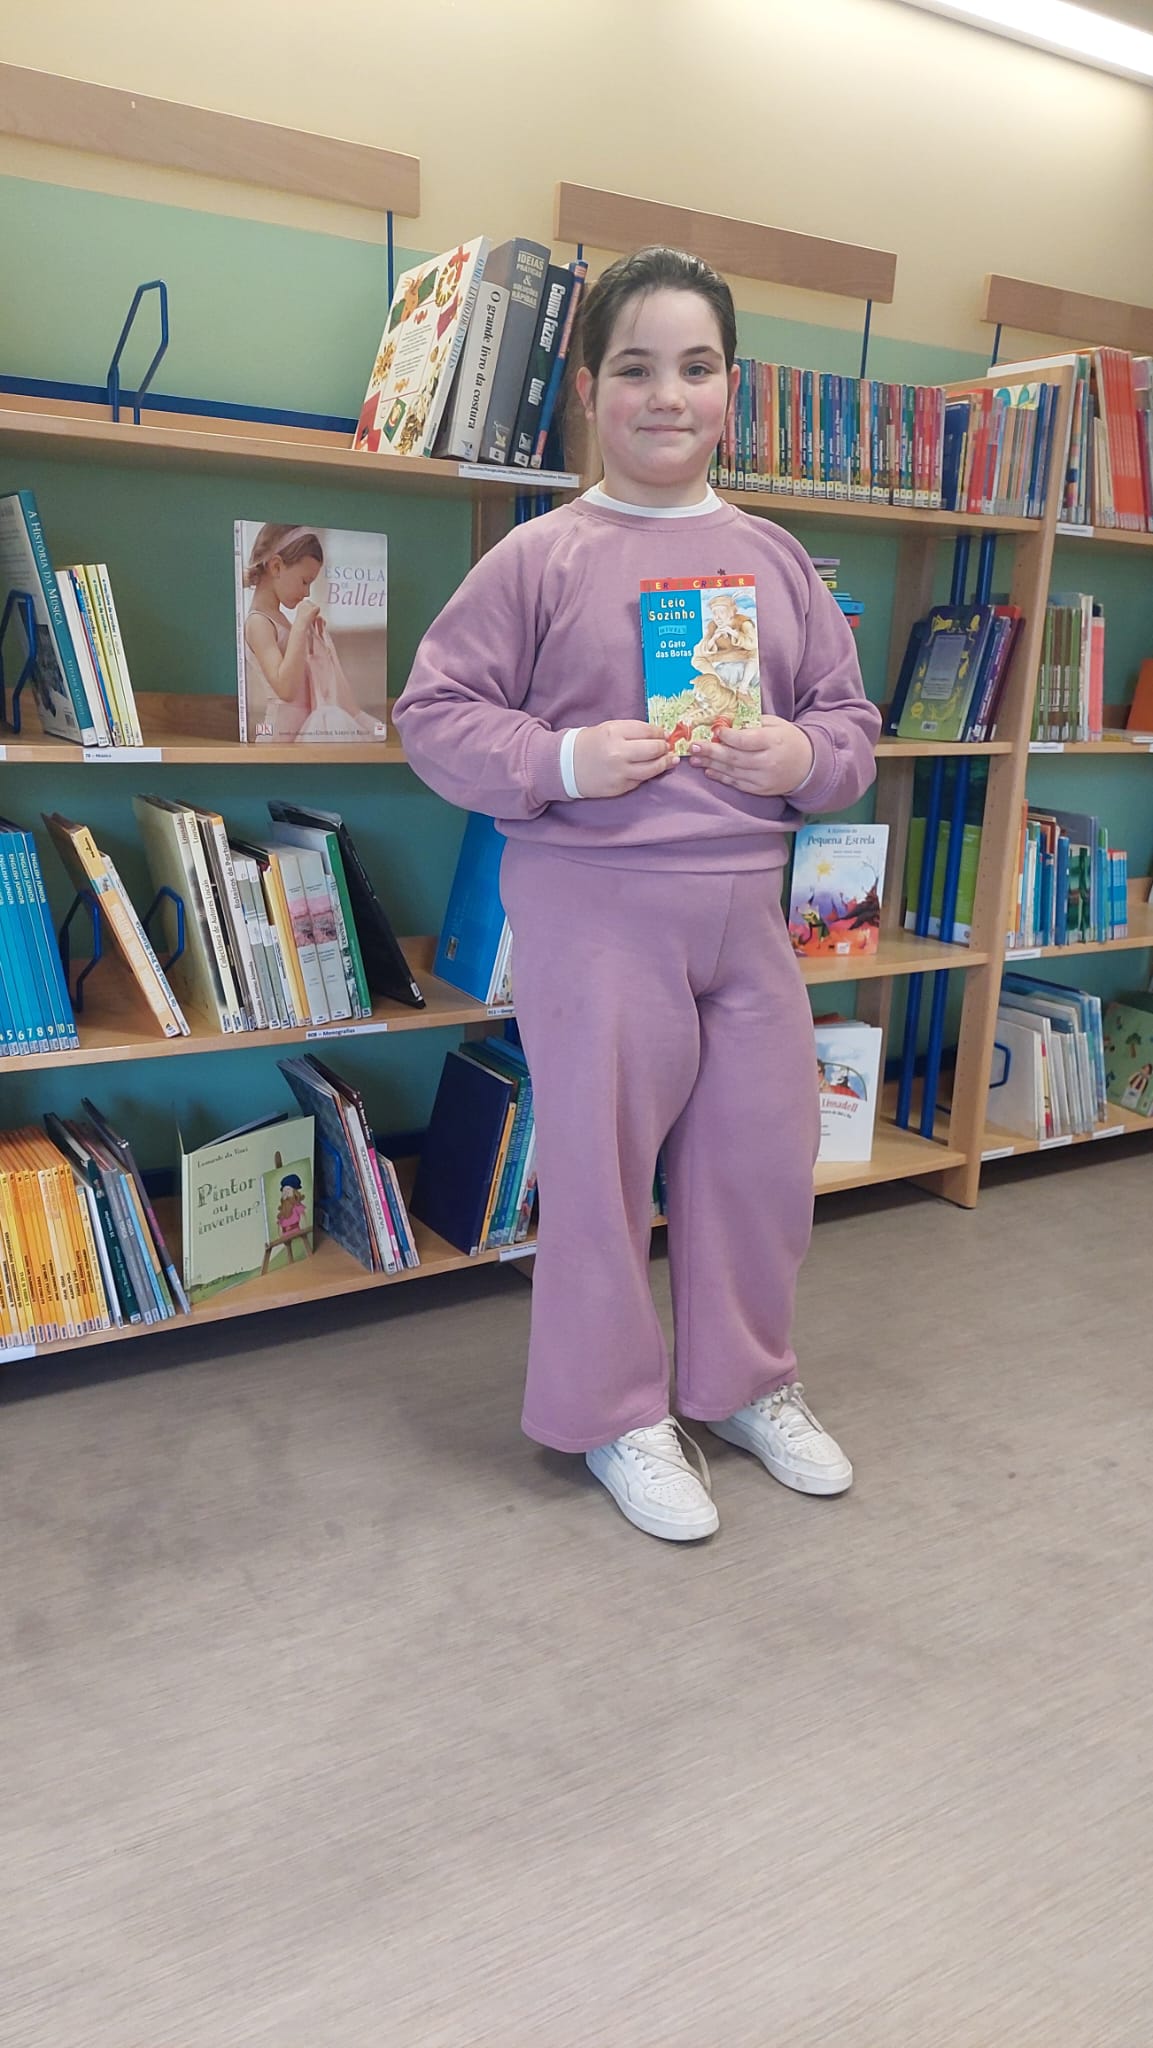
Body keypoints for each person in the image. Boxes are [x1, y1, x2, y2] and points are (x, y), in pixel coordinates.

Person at [394, 246, 882, 1543]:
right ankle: (612, 1409)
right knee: (600, 1175)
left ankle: (744, 1383)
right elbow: (433, 717)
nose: (668, 395)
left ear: (730, 389)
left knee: (760, 1159)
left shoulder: (776, 559)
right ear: (588, 391)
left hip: (744, 911)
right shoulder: (540, 558)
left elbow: (850, 726)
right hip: (594, 910)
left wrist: (801, 756)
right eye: (635, 368)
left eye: (696, 367)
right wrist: (561, 760)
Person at [241, 524, 380, 740]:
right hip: (280, 740)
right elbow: (285, 689)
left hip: (302, 733)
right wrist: (299, 626)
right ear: (276, 567)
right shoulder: (258, 622)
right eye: (305, 581)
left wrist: (316, 643)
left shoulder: (281, 621)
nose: (306, 592)